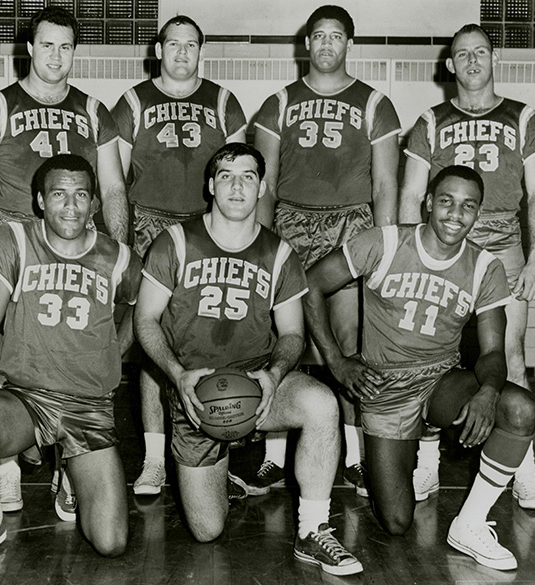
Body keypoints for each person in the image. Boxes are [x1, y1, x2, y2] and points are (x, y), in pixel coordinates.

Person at [133, 143, 362, 576]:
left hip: (255, 384)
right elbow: (145, 319)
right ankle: (219, 469)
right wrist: (177, 376)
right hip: (195, 394)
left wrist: (275, 374)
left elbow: (293, 333)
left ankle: (313, 530)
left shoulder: (279, 254)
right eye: (226, 175)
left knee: (321, 405)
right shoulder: (176, 242)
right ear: (210, 185)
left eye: (248, 176)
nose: (237, 185)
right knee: (207, 531)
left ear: (261, 187)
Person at [304, 165, 535, 571]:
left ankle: (470, 523)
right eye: (446, 201)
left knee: (519, 408)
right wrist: (337, 362)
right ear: (429, 203)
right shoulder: (387, 242)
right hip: (385, 387)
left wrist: (488, 391)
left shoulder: (485, 267)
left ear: (478, 213)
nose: (455, 214)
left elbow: (492, 353)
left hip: (440, 380)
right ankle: (413, 447)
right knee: (396, 522)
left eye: (468, 206)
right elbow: (310, 284)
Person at [0, 154, 140, 573]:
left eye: (81, 195)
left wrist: (114, 352)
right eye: (59, 194)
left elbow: (145, 309)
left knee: (111, 542)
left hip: (89, 406)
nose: (70, 206)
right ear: (40, 201)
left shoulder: (118, 257)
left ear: (95, 204)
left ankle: (71, 472)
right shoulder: (15, 240)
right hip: (25, 397)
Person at [0, 6, 128, 515]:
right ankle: (6, 468)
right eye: (47, 45)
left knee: (78, 355)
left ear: (75, 51)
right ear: (29, 49)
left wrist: (117, 252)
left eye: (66, 46)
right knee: (11, 353)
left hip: (79, 243)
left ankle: (69, 473)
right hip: (17, 242)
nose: (56, 56)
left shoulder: (95, 110)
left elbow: (115, 188)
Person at [246, 4, 401, 497]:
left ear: (348, 44)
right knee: (280, 336)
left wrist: (387, 243)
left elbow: (384, 181)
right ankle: (273, 458)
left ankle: (355, 458)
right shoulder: (278, 103)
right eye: (319, 36)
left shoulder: (375, 102)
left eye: (336, 36)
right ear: (305, 44)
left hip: (351, 221)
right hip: (292, 218)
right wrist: (260, 244)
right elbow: (264, 183)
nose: (327, 44)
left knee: (352, 339)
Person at [399, 23, 535, 510]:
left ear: (494, 58)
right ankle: (427, 467)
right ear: (449, 65)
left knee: (513, 356)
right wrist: (411, 256)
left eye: (480, 52)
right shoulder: (430, 119)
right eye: (461, 54)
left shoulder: (522, 116)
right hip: (443, 244)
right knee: (429, 355)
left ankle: (522, 470)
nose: (471, 61)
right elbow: (409, 194)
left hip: (503, 241)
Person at [110, 15, 247, 496]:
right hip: (150, 224)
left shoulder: (224, 101)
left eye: (192, 45)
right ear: (159, 49)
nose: (183, 53)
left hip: (206, 229)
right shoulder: (133, 101)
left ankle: (215, 455)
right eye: (174, 44)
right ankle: (154, 461)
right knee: (154, 346)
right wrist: (123, 244)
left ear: (200, 52)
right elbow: (115, 180)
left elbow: (240, 178)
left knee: (215, 339)